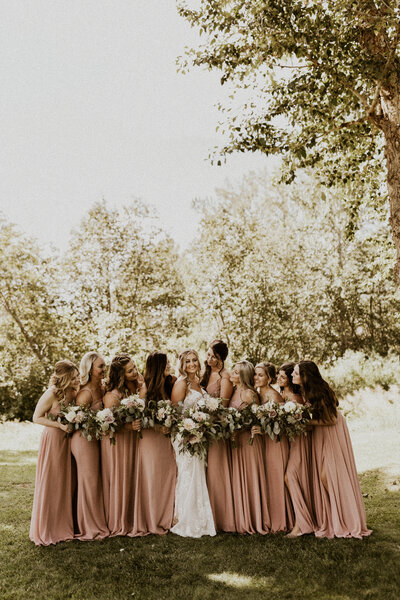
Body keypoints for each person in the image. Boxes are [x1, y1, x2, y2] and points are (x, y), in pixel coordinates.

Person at [293, 360, 372, 539]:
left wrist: (305, 422)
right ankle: (333, 516)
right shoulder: (304, 391)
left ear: (305, 376)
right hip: (321, 434)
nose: (292, 375)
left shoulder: (320, 390)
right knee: (325, 476)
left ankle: (346, 516)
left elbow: (330, 420)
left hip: (331, 433)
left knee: (327, 475)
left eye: (296, 373)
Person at [30, 360, 80, 545]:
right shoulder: (51, 394)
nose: (77, 380)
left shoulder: (74, 392)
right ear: (64, 378)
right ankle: (49, 527)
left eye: (77, 377)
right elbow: (36, 417)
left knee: (67, 480)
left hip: (68, 440)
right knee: (53, 480)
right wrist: (58, 424)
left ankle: (66, 523)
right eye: (73, 378)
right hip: (53, 439)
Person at [170, 349, 216, 537]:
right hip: (184, 435)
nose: (191, 364)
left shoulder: (198, 382)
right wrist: (189, 429)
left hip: (198, 433)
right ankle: (184, 517)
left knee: (197, 473)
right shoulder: (182, 384)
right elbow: (175, 412)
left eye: (194, 360)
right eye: (187, 361)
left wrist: (202, 425)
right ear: (182, 364)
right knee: (188, 473)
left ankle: (198, 516)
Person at [131, 351, 177, 536]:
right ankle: (152, 519)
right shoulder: (145, 389)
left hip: (167, 440)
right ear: (158, 366)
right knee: (152, 478)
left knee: (168, 476)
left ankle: (167, 516)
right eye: (165, 363)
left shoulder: (170, 384)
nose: (169, 365)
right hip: (151, 439)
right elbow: (138, 419)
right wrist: (157, 428)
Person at [101, 353, 142, 536]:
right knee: (120, 478)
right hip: (117, 444)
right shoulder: (112, 396)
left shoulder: (132, 388)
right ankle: (119, 520)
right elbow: (107, 426)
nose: (135, 371)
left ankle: (131, 517)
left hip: (131, 441)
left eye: (134, 367)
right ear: (121, 375)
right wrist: (128, 426)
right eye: (130, 370)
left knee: (131, 477)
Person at [71, 351, 109, 540]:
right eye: (100, 366)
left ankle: (95, 522)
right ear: (90, 369)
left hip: (96, 440)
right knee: (89, 482)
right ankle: (89, 528)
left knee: (96, 482)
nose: (104, 369)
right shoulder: (84, 394)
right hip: (83, 441)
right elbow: (77, 422)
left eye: (104, 365)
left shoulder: (102, 387)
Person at [229, 360, 270, 534]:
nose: (232, 373)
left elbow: (257, 418)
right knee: (240, 477)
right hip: (237, 442)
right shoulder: (234, 391)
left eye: (237, 372)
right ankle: (242, 518)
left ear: (243, 376)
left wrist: (241, 429)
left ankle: (255, 519)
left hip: (249, 442)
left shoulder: (248, 393)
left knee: (251, 477)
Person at [253, 362, 294, 532]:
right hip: (265, 443)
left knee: (277, 478)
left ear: (269, 378)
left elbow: (284, 425)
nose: (256, 377)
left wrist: (263, 430)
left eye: (260, 375)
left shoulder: (274, 396)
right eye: (255, 374)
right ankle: (271, 518)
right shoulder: (257, 394)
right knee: (269, 479)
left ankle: (283, 520)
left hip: (276, 443)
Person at [202, 340, 235, 532]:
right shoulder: (206, 373)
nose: (208, 358)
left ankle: (220, 516)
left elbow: (223, 405)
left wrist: (207, 418)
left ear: (220, 358)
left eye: (212, 356)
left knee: (215, 470)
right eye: (207, 354)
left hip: (216, 429)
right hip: (203, 426)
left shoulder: (225, 376)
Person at [279, 362, 315, 538]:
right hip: (293, 441)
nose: (279, 378)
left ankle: (300, 525)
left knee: (290, 476)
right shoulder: (286, 395)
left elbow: (306, 424)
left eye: (283, 376)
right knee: (291, 478)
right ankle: (301, 521)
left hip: (300, 442)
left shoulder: (296, 398)